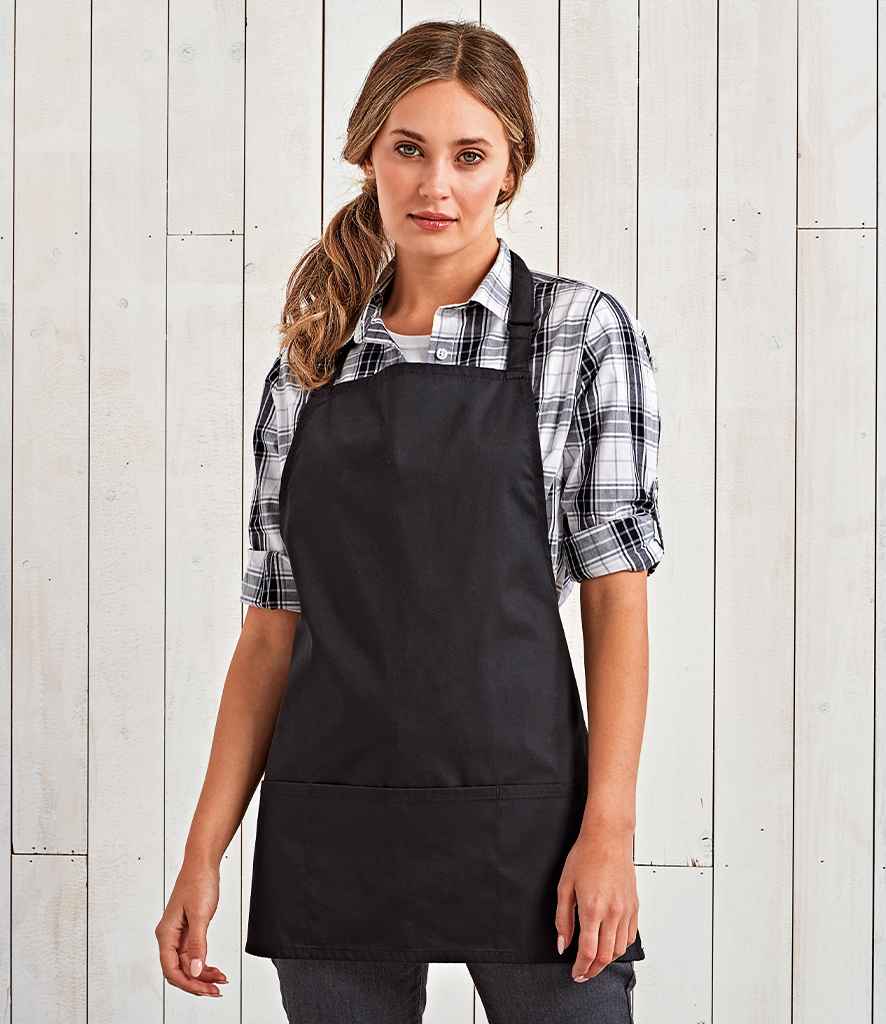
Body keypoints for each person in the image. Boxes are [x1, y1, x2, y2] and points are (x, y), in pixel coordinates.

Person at [154, 18, 663, 1024]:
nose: (436, 186)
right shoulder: (309, 365)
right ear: (368, 157)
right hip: (331, 817)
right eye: (409, 149)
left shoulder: (580, 335)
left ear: (511, 168)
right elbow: (270, 632)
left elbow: (617, 600)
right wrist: (203, 853)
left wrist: (608, 830)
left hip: (528, 817)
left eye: (469, 155)